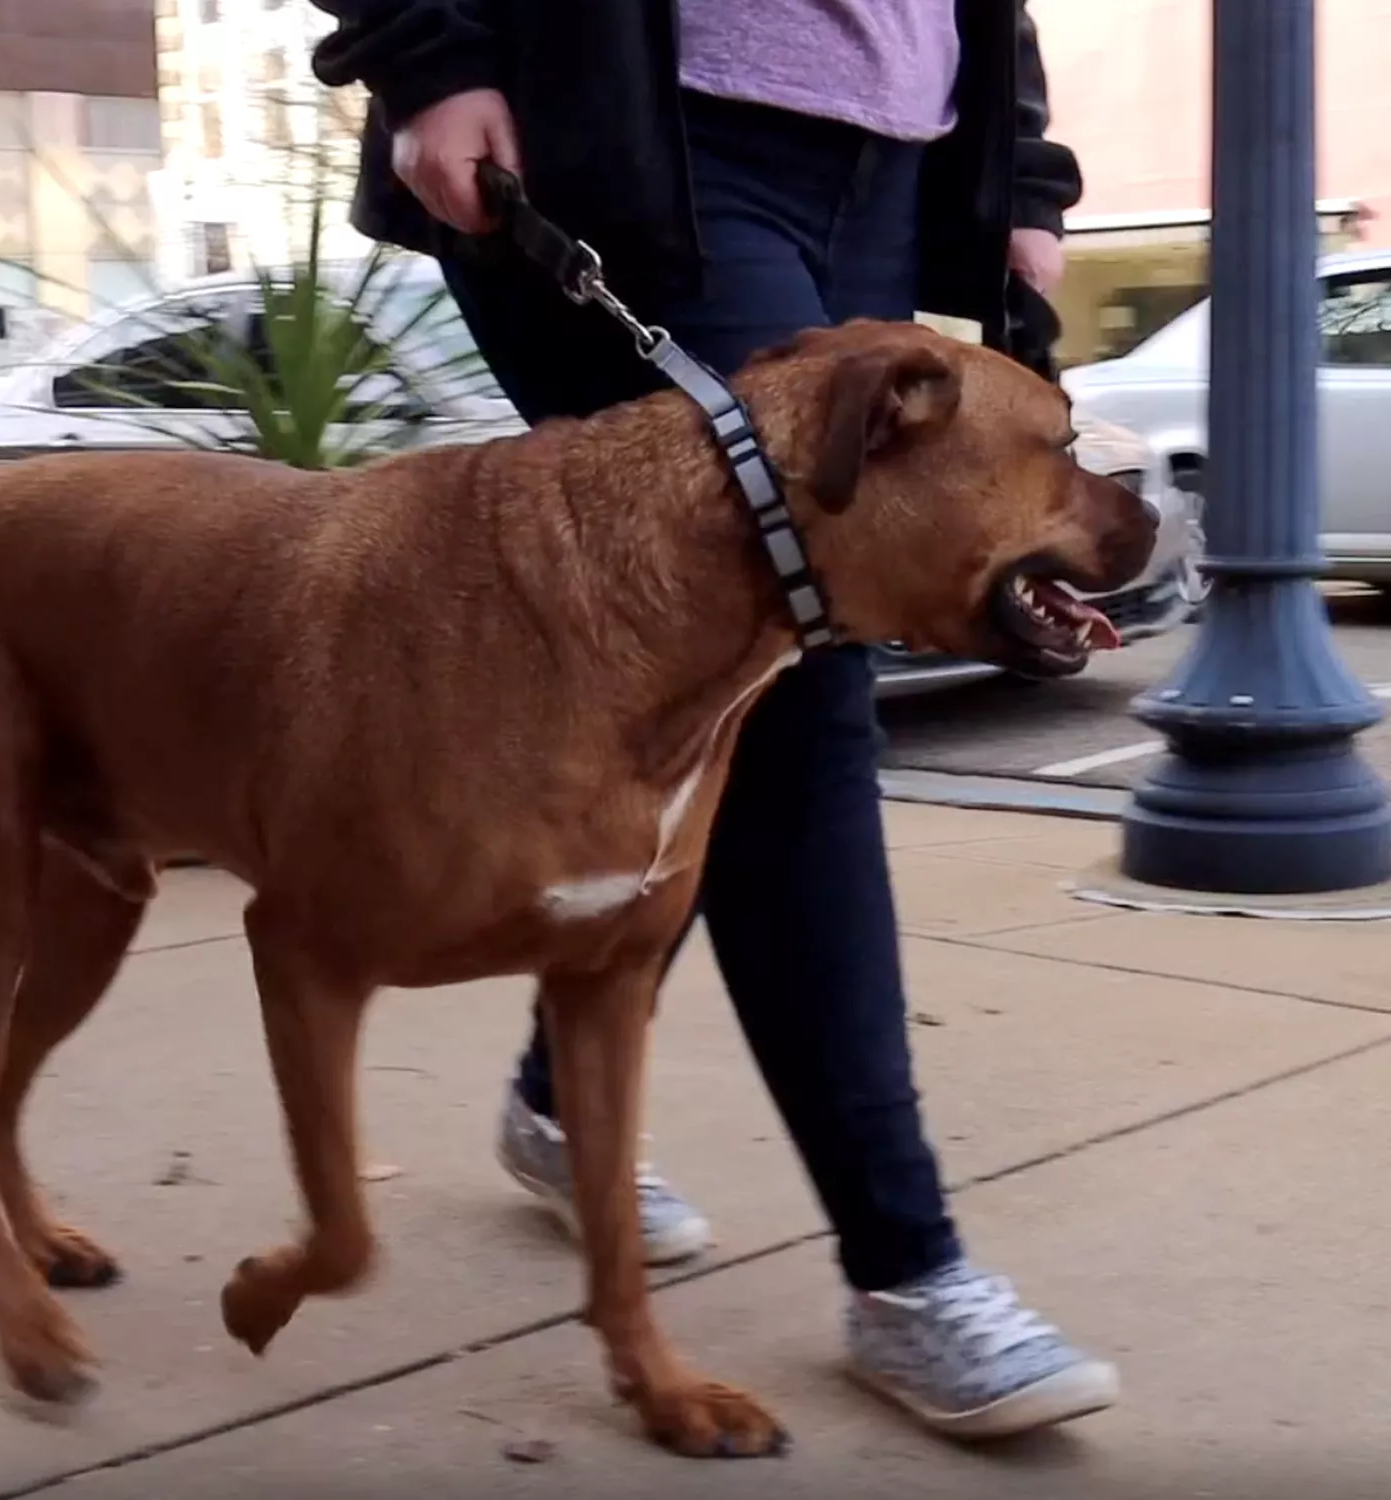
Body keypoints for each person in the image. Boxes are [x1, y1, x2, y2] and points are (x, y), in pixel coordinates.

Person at [308, 0, 1120, 1440]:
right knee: (800, 673)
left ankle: (564, 1096)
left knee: (717, 696)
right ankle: (907, 1270)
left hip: (900, 156)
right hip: (647, 128)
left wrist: (1019, 171)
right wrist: (430, 46)